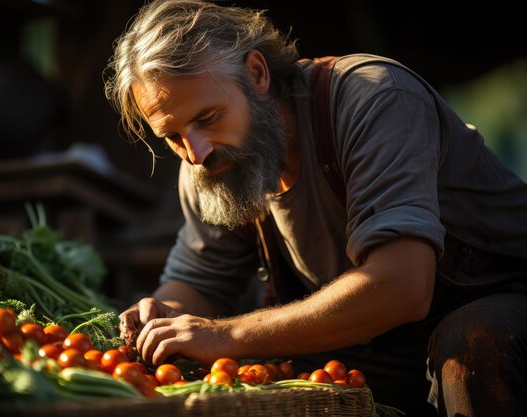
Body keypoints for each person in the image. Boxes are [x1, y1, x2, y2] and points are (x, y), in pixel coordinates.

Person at [103, 1, 527, 415]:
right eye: (172, 136)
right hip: (381, 342)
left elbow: (403, 285)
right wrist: (163, 315)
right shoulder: (209, 161)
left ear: (256, 74)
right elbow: (199, 281)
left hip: (501, 299)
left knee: (472, 342)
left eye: (209, 116)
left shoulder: (374, 97)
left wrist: (227, 335)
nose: (195, 152)